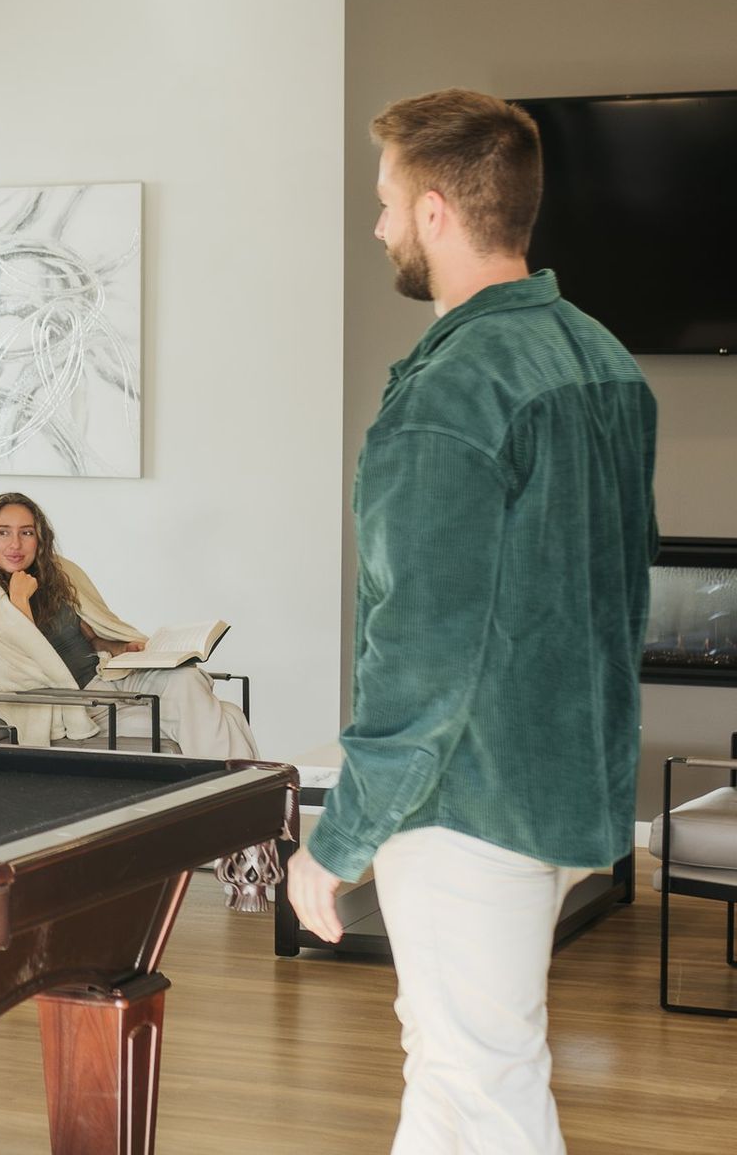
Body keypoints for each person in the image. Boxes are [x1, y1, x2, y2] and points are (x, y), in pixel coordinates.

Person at [287, 89, 658, 1154]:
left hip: (466, 805)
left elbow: (422, 643)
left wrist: (339, 836)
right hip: (560, 789)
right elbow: (619, 593)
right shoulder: (604, 360)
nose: (379, 226)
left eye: (387, 201)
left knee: (479, 1082)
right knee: (457, 1072)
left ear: (439, 209)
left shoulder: (453, 388)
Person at [0, 492, 258, 757]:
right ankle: (253, 813)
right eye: (3, 532)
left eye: (27, 532)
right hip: (73, 704)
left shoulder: (59, 575)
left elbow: (92, 636)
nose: (15, 544)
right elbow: (26, 669)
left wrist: (119, 646)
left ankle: (245, 812)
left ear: (40, 538)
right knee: (226, 716)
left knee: (189, 681)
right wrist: (19, 601)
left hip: (107, 677)